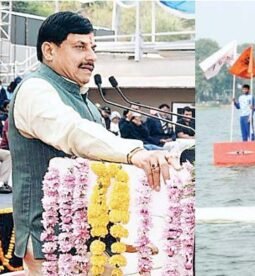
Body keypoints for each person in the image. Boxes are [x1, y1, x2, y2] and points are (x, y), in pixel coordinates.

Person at [10, 12, 175, 273]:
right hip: (52, 240)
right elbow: (73, 132)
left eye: (93, 47)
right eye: (80, 47)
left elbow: (102, 159)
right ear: (49, 51)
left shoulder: (85, 100)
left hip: (94, 236)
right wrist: (135, 152)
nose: (91, 56)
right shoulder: (36, 90)